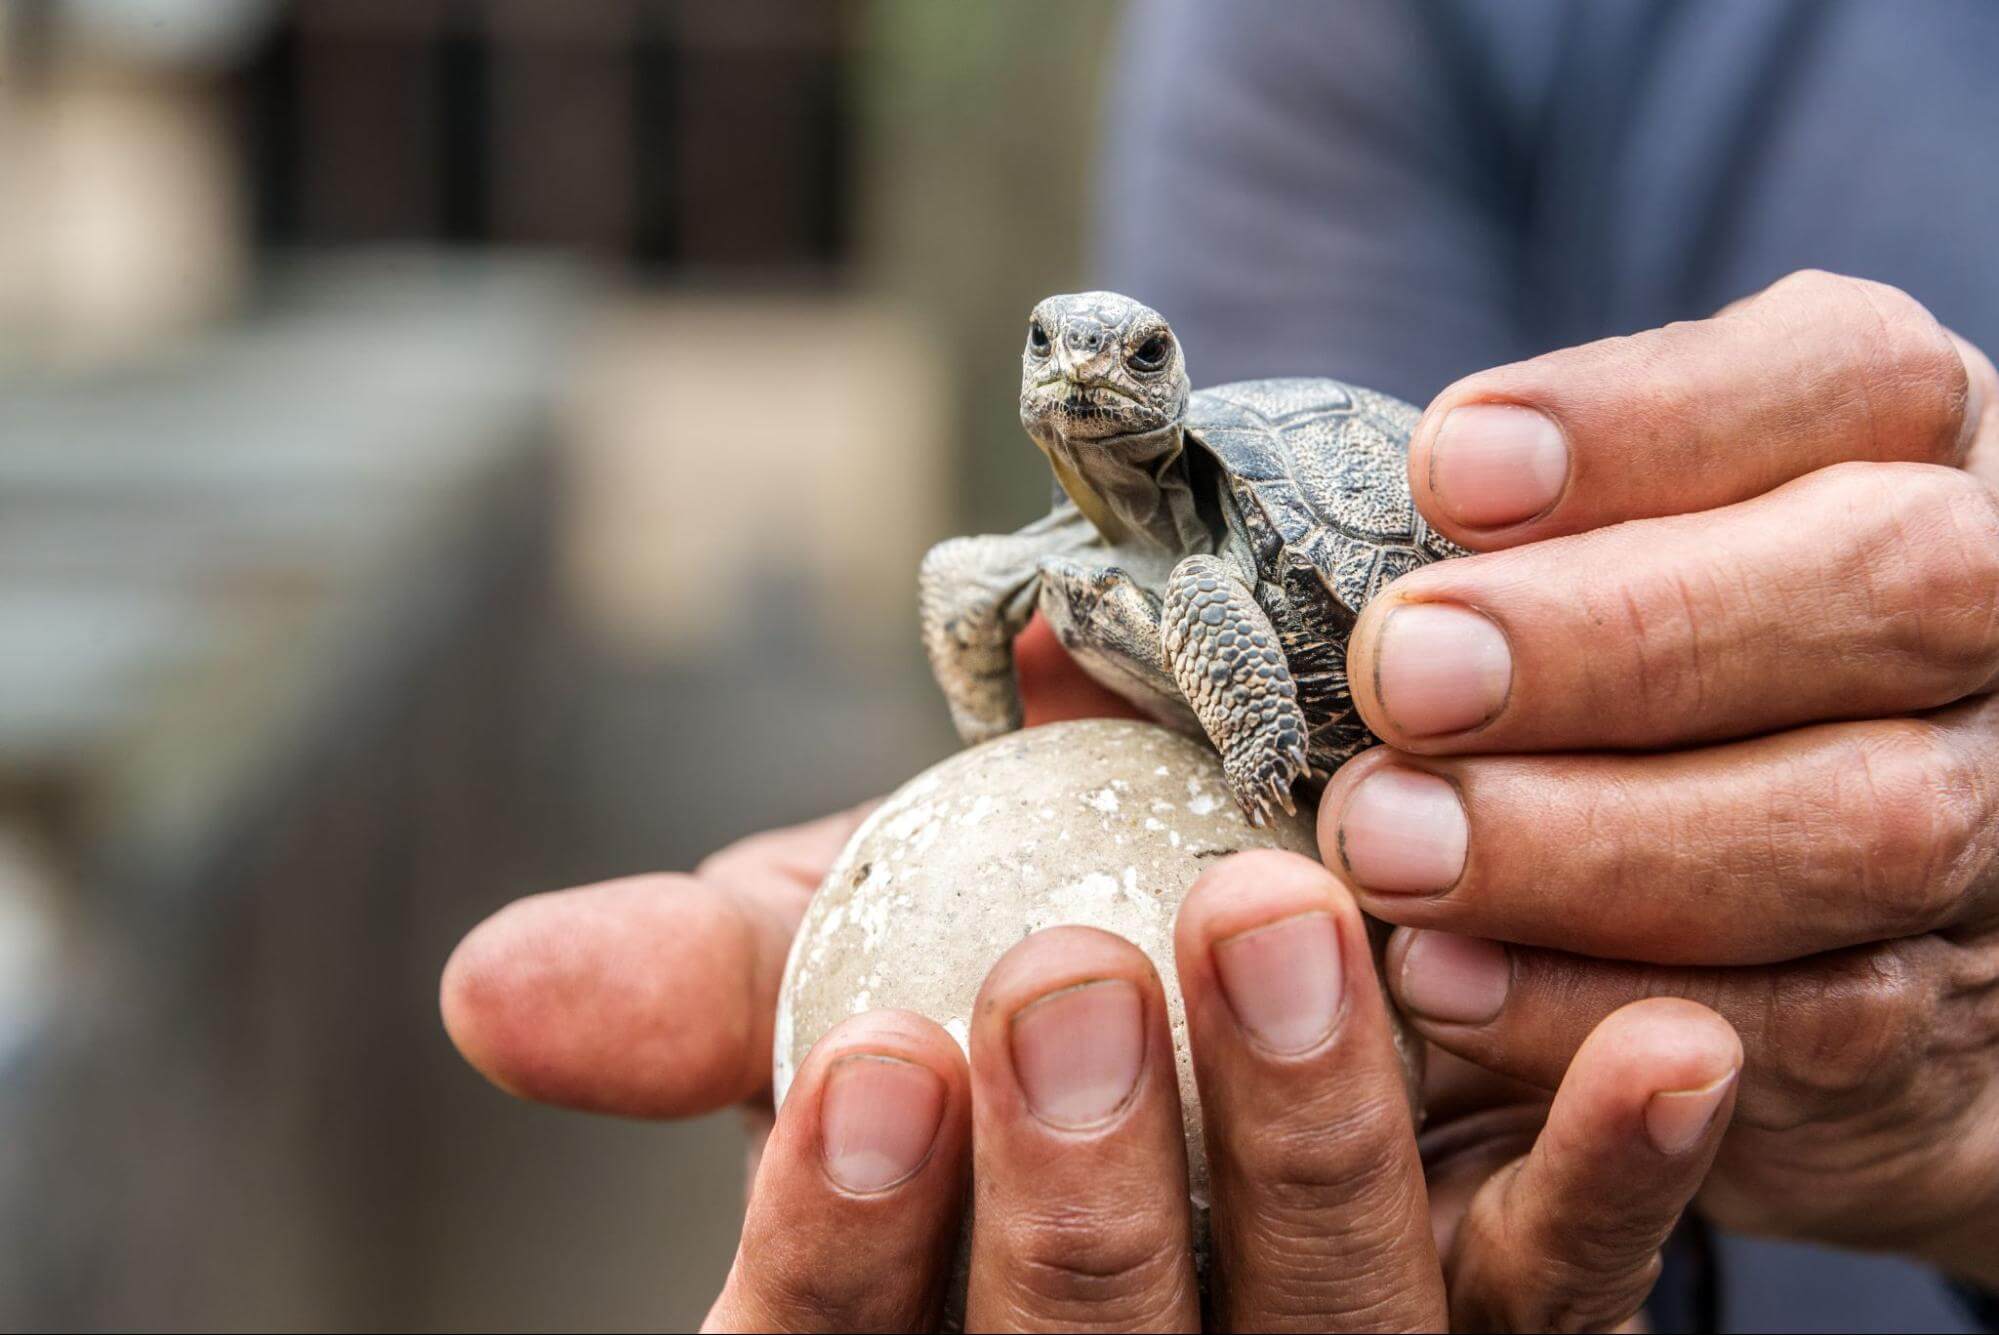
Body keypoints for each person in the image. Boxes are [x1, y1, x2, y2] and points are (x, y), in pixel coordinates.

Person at [443, 2, 1999, 1329]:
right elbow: (989, 604)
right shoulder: (1070, 549)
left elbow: (1227, 621)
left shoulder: (1214, 566)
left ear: (1169, 387)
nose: (1089, 380)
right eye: (1061, 352)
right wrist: (998, 769)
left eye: (1134, 360)